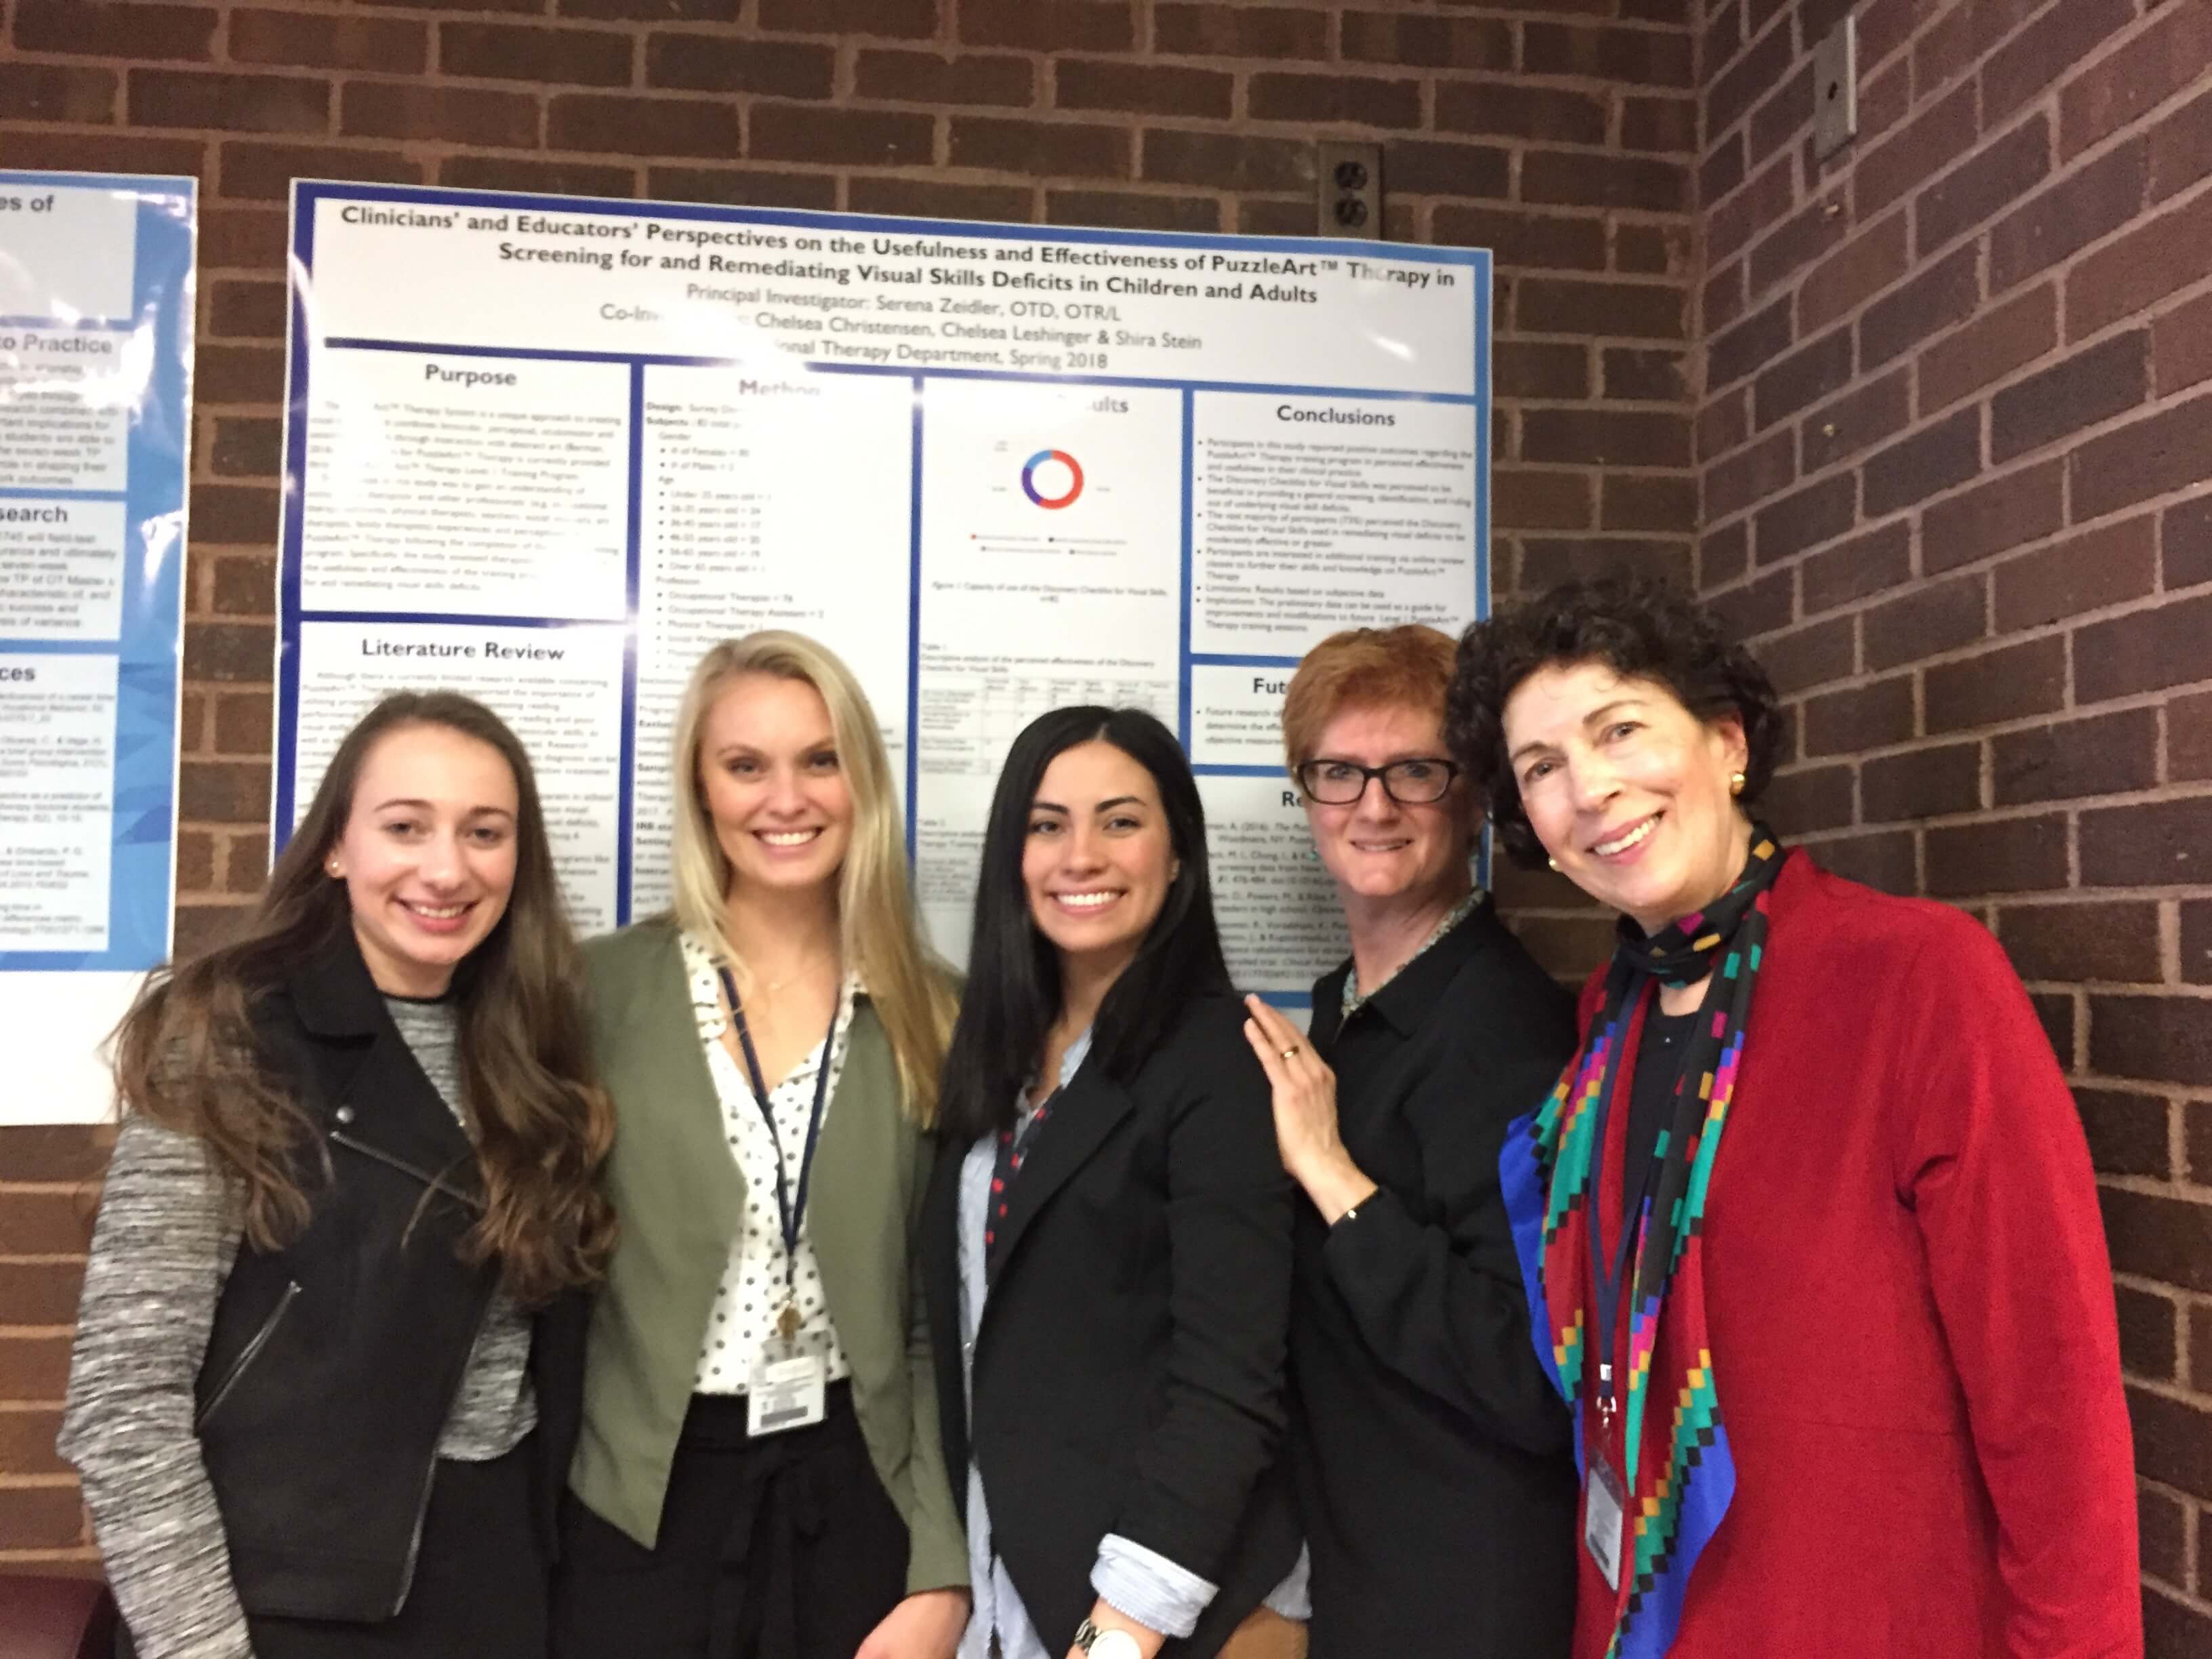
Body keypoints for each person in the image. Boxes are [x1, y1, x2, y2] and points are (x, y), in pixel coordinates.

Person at [1448, 575, 2142, 1657]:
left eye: (1620, 729)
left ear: (1726, 742)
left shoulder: (1914, 978)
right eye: (1542, 769)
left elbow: (2052, 1394)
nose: (1589, 789)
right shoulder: (1608, 1023)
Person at [60, 691, 616, 1659]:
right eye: (405, 827)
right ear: (335, 846)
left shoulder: (534, 1052)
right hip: (284, 1600)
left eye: (484, 832)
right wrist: (202, 1648)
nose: (446, 868)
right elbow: (123, 1398)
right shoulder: (230, 1038)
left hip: (496, 1586)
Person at [552, 632, 968, 1659]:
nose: (786, 798)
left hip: (857, 1493)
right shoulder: (593, 995)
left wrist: (941, 1569)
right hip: (641, 1499)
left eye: (819, 760)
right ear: (702, 791)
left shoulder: (935, 1015)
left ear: (860, 781)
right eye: (747, 765)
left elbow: (939, 1323)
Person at [923, 706, 1302, 1659]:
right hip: (1023, 1587)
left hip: (1172, 1608)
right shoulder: (1000, 1060)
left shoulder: (1219, 1062)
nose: (1079, 855)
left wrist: (1121, 1630)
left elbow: (1229, 1382)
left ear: (1178, 856)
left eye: (1121, 821)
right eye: (1047, 825)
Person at [1239, 624, 1578, 1658]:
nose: (1373, 806)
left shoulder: (1503, 1030)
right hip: (1359, 1574)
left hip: (1464, 1596)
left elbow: (1532, 1372)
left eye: (1414, 772)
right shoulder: (1353, 1008)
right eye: (1340, 772)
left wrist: (1335, 1177)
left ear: (1474, 795)